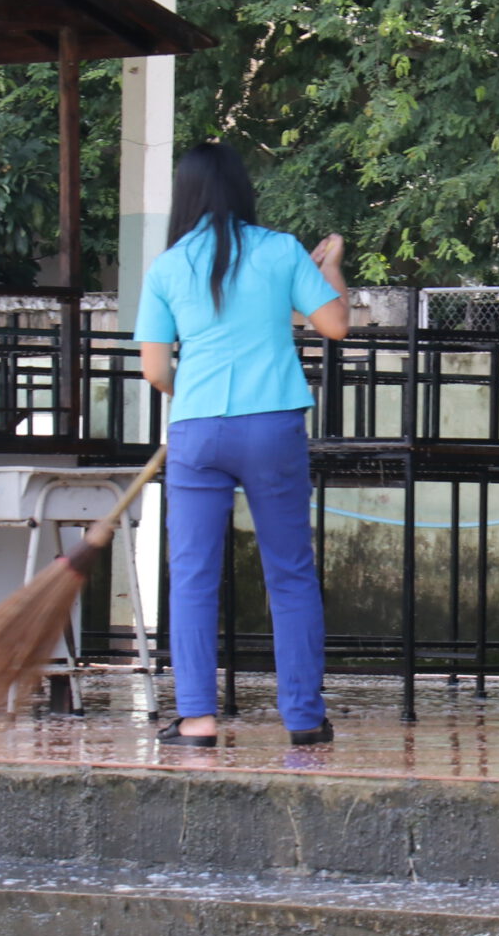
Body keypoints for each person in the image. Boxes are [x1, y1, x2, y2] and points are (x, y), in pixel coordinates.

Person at [135, 140, 350, 748]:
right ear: (241, 188)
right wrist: (330, 267)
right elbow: (335, 325)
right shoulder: (280, 250)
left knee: (193, 575)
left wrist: (194, 397)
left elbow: (155, 370)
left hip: (197, 429)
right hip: (273, 425)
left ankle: (197, 719)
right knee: (290, 572)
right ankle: (304, 718)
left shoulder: (167, 266)